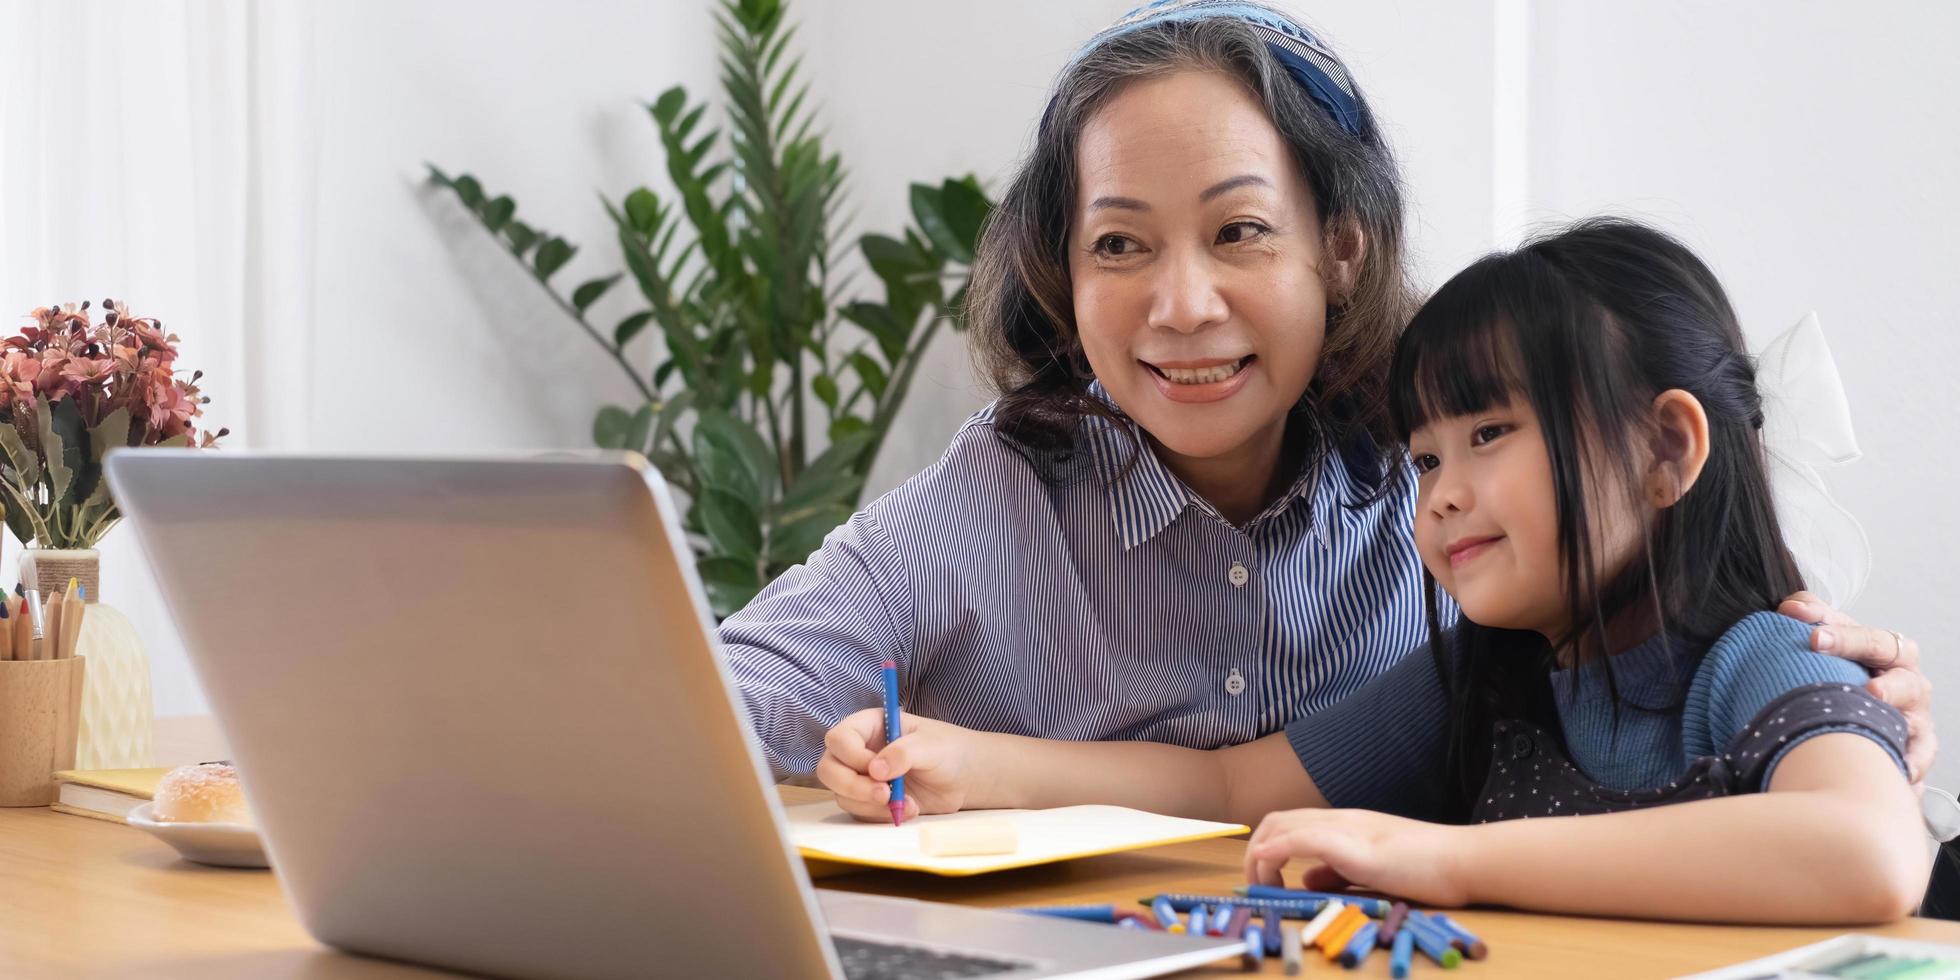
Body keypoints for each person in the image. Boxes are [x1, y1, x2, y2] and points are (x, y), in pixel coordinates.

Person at [720, 1, 1933, 786]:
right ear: (1061, 270)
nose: (1181, 305)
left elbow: (1692, 677)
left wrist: (1832, 708)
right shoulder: (991, 488)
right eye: (1119, 245)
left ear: (1340, 247)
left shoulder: (1446, 497)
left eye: (1239, 230)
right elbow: (722, 699)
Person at [818, 219, 1930, 923]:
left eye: (1488, 433)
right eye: (1424, 454)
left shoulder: (1769, 652)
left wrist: (1448, 858)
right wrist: (975, 760)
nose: (1436, 492)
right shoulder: (1476, 676)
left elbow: (1867, 853)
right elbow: (1222, 786)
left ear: (1666, 448)